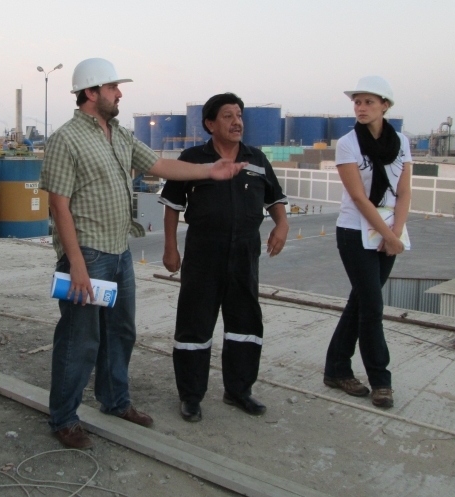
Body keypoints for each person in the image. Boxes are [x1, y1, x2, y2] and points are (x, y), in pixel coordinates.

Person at [40, 58, 247, 449]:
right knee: (78, 340)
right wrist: (78, 265)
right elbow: (59, 205)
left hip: (118, 252)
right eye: (113, 88)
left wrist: (210, 171)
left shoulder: (118, 135)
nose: (120, 93)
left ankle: (116, 401)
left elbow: (160, 164)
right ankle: (64, 417)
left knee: (120, 333)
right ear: (91, 92)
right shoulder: (66, 139)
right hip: (87, 253)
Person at [159, 93, 289, 422]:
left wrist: (282, 225)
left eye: (240, 115)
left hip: (245, 252)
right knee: (194, 323)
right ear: (210, 124)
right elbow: (173, 207)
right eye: (228, 116)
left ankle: (239, 390)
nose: (237, 122)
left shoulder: (256, 159)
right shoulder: (192, 159)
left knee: (245, 323)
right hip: (204, 251)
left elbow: (274, 198)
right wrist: (170, 247)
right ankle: (191, 395)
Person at [323, 76, 412, 408]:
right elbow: (359, 198)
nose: (361, 108)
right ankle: (381, 381)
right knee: (373, 307)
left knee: (360, 303)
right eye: (357, 102)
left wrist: (396, 233)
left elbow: (403, 192)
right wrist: (389, 236)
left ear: (384, 106)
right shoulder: (348, 143)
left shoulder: (401, 142)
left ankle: (336, 369)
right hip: (354, 232)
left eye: (368, 102)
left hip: (389, 232)